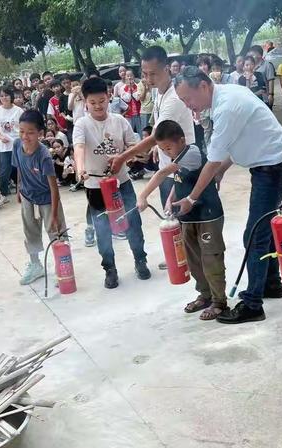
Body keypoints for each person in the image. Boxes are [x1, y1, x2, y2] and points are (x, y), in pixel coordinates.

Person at [173, 66, 282, 324]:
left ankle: (252, 304)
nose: (188, 106)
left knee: (254, 234)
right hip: (269, 165)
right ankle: (271, 283)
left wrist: (192, 198)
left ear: (204, 86)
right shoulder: (226, 95)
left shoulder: (227, 107)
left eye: (188, 99)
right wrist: (223, 170)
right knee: (265, 228)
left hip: (272, 169)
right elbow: (234, 144)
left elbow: (213, 158)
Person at [109, 46, 195, 270]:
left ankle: (189, 257)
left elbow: (157, 135)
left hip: (182, 166)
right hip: (167, 163)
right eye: (144, 74)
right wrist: (158, 148)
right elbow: (162, 130)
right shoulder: (159, 92)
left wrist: (123, 157)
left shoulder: (174, 98)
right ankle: (179, 253)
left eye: (153, 74)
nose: (147, 79)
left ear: (167, 68)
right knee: (171, 213)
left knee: (182, 213)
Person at [137, 120, 227, 320]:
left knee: (210, 258)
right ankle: (204, 295)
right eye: (162, 149)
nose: (167, 152)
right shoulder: (178, 156)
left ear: (182, 140)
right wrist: (171, 199)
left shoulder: (192, 154)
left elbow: (163, 173)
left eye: (168, 147)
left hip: (208, 214)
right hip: (188, 217)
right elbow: (178, 179)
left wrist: (143, 196)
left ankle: (219, 302)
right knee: (194, 259)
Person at [73, 77, 151, 288]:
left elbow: (134, 148)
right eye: (93, 102)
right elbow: (79, 148)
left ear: (109, 97)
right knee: (102, 229)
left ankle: (140, 260)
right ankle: (110, 269)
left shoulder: (119, 121)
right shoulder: (82, 124)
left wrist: (124, 158)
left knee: (133, 222)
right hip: (95, 186)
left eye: (102, 100)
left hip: (121, 182)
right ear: (85, 102)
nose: (98, 106)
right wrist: (80, 170)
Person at [12, 109, 67, 285]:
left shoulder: (44, 156)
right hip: (28, 196)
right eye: (21, 131)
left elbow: (54, 188)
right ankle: (35, 265)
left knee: (56, 232)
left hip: (47, 199)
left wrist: (55, 214)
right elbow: (19, 167)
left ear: (41, 134)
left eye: (30, 132)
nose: (25, 136)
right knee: (30, 231)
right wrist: (19, 189)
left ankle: (63, 266)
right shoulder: (16, 145)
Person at [0, 86, 24, 196]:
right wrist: (0, 136)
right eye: (1, 96)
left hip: (18, 143)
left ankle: (25, 188)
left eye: (6, 95)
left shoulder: (19, 110)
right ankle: (3, 192)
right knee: (4, 171)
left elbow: (24, 127)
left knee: (22, 167)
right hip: (5, 146)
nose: (4, 98)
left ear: (11, 96)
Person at [121, 70, 142, 136]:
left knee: (140, 132)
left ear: (134, 76)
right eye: (128, 76)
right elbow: (127, 99)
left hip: (138, 114)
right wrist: (129, 89)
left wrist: (133, 88)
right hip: (128, 115)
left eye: (131, 75)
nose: (129, 77)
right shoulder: (123, 88)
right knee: (130, 133)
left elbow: (137, 98)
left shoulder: (138, 86)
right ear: (125, 77)